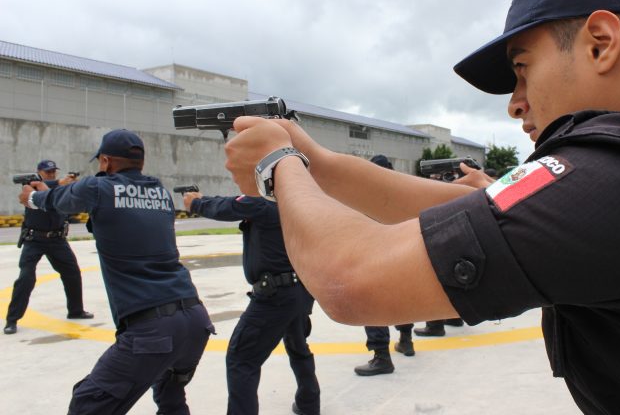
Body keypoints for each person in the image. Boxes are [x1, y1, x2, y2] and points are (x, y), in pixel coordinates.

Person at [222, 0, 620, 413]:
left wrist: (277, 167)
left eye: (522, 68)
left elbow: (351, 279)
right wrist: (316, 160)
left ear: (601, 42)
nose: (515, 104)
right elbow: (473, 207)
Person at [19, 129, 214, 414]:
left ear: (106, 161)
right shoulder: (159, 192)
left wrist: (33, 199)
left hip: (151, 329)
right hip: (195, 321)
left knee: (88, 403)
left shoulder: (98, 189)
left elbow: (60, 200)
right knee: (171, 399)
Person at [183, 190, 320, 415]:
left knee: (241, 360)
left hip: (274, 296)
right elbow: (233, 201)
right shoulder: (294, 202)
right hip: (298, 291)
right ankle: (309, 402)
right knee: (298, 346)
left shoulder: (262, 203)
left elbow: (227, 207)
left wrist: (196, 203)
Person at [4, 160, 92, 335]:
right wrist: (59, 182)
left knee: (72, 273)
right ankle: (12, 320)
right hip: (34, 239)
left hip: (57, 239)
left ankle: (76, 310)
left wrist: (65, 184)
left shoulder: (59, 191)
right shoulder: (30, 187)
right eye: (48, 172)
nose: (51, 174)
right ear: (39, 173)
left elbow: (63, 194)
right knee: (26, 278)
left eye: (53, 172)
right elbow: (42, 188)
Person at [353, 154, 415, 376]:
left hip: (376, 256)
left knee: (371, 304)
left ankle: (381, 355)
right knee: (402, 299)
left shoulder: (367, 196)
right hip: (404, 254)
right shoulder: (402, 191)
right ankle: (406, 340)